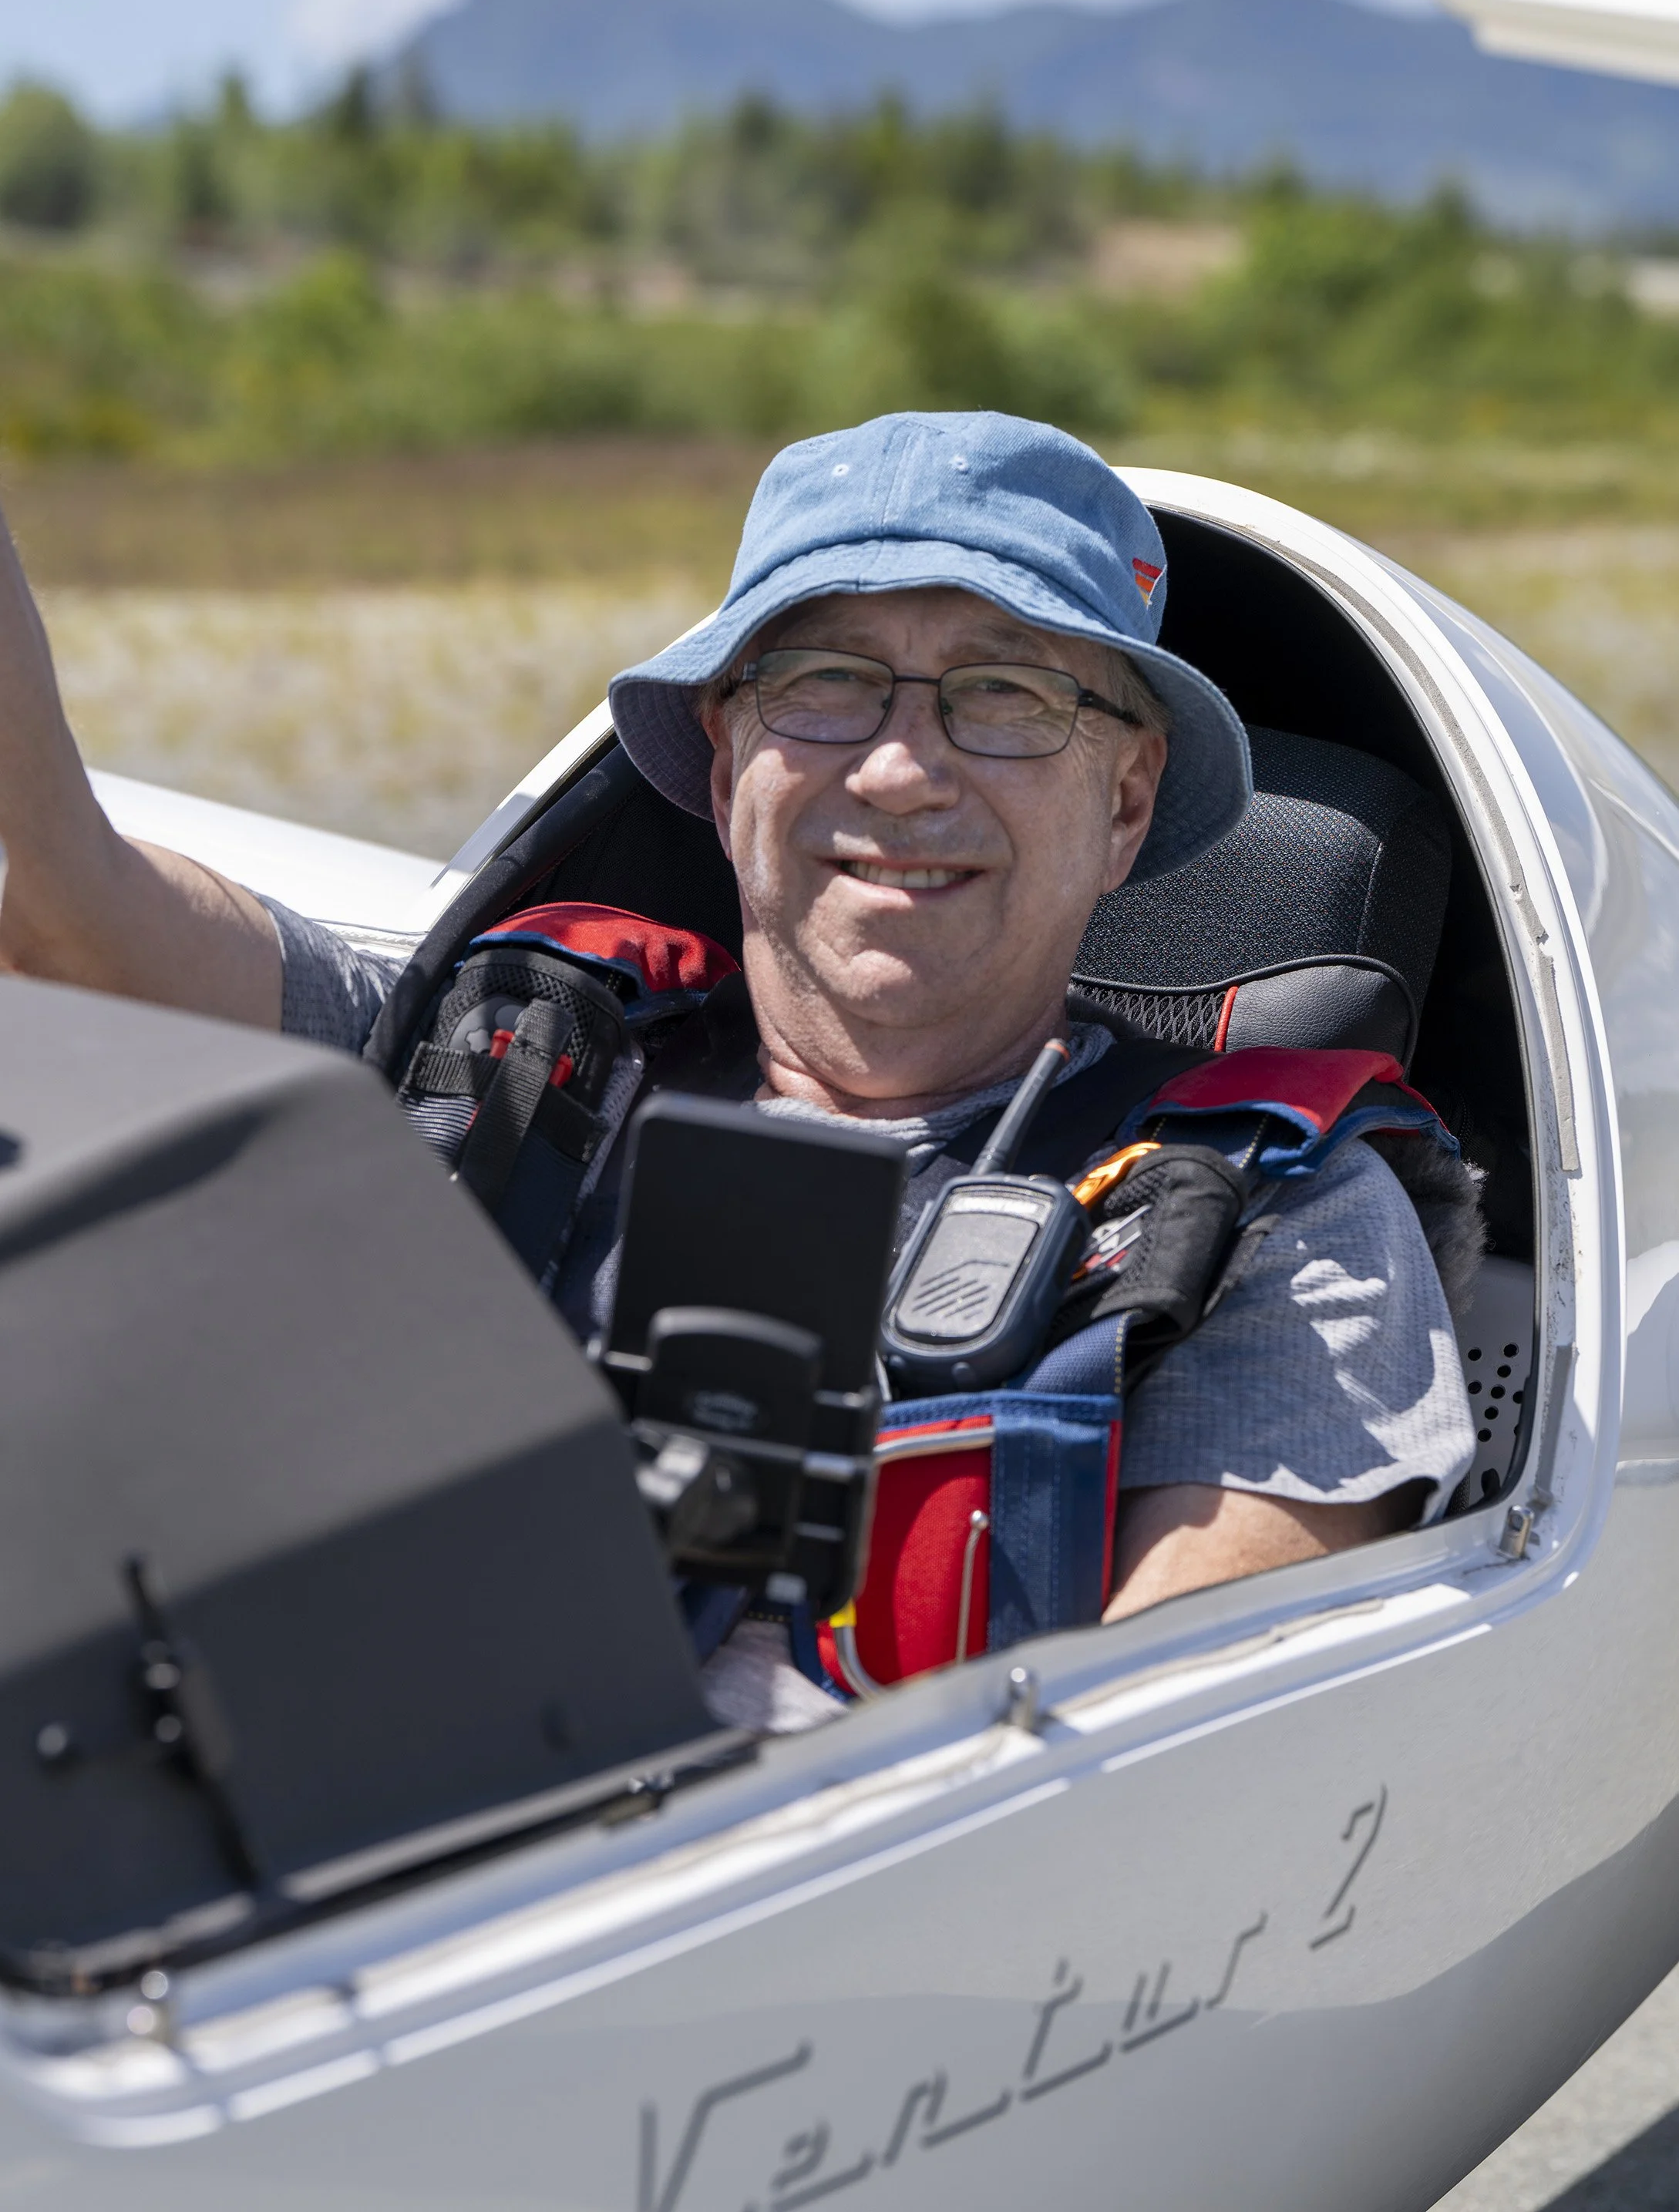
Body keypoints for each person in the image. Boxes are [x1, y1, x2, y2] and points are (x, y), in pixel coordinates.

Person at [0, 411, 1476, 1730]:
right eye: (827, 685)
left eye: (1008, 697)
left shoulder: (1263, 1231)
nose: (900, 770)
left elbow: (1187, 1764)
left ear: (1125, 801)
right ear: (723, 769)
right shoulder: (499, 1060)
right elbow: (54, 895)